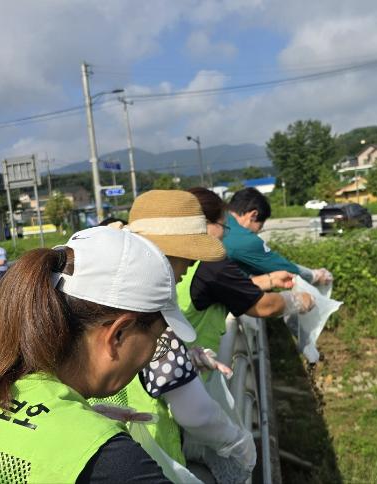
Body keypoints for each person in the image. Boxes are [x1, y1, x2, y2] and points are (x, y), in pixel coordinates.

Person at [0, 226, 188, 482]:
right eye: (157, 339)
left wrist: (79, 418)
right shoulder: (112, 459)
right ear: (118, 334)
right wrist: (89, 435)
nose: (153, 352)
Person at [94, 190, 257, 482]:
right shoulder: (150, 319)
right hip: (148, 458)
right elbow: (196, 414)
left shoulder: (102, 300)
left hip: (105, 456)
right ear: (163, 257)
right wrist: (238, 442)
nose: (188, 268)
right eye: (186, 258)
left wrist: (185, 357)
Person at [182, 187, 315, 353]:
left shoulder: (178, 256)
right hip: (187, 369)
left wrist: (270, 280)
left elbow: (222, 285)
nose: (225, 234)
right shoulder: (213, 262)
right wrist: (297, 300)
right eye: (223, 226)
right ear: (205, 223)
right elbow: (264, 306)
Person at [223, 187, 333, 285]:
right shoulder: (243, 239)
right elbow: (280, 267)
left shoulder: (217, 221)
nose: (257, 232)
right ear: (253, 215)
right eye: (260, 226)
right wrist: (314, 276)